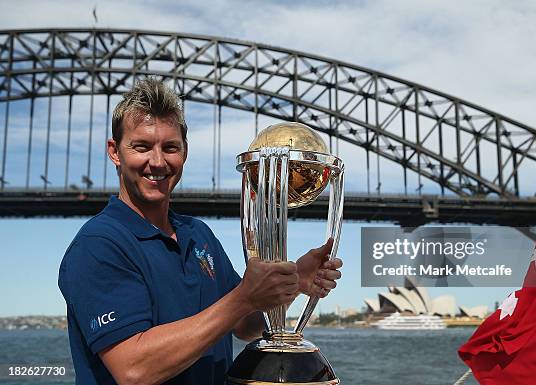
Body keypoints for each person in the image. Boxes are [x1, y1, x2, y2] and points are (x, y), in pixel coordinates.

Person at [58, 78, 343, 385]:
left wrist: (293, 281)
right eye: (141, 146)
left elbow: (246, 325)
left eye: (170, 147)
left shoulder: (198, 235)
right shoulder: (99, 245)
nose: (157, 162)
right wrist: (244, 298)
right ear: (115, 152)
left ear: (185, 151)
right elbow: (133, 369)